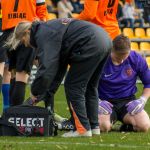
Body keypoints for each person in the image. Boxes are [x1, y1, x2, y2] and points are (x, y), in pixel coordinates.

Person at [5, 18, 112, 137]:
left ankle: (83, 129)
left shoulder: (42, 33)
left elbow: (46, 68)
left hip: (90, 42)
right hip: (105, 39)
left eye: (24, 41)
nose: (27, 45)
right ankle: (94, 127)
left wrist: (35, 92)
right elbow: (58, 68)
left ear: (27, 32)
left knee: (74, 87)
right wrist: (47, 92)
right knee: (91, 87)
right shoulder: (50, 28)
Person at [98, 34, 150, 132]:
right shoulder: (100, 59)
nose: (121, 61)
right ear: (111, 50)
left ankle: (126, 126)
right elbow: (85, 85)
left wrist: (142, 100)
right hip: (105, 102)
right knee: (103, 126)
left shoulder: (136, 59)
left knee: (144, 126)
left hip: (127, 102)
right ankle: (108, 122)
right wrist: (97, 102)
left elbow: (148, 83)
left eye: (124, 57)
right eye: (117, 58)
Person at [0, 0, 47, 106]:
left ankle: (9, 115)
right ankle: (16, 117)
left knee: (12, 75)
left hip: (8, 34)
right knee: (21, 77)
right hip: (26, 32)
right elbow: (42, 15)